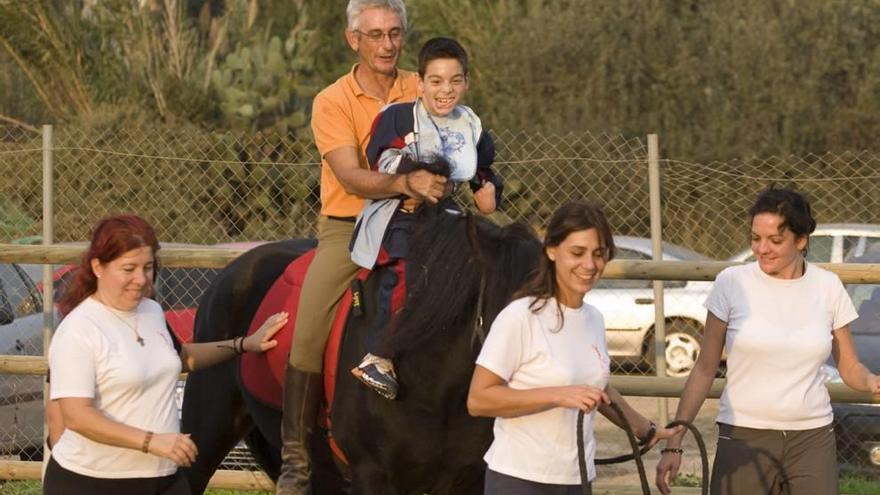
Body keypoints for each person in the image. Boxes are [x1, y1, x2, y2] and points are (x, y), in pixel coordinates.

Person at [278, 0, 448, 493]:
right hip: (349, 226)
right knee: (307, 328)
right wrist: (406, 183)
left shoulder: (423, 85)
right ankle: (296, 459)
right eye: (374, 35)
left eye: (394, 33)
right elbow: (350, 176)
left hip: (423, 221)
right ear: (354, 40)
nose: (387, 45)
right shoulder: (332, 100)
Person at [655, 186, 880, 495]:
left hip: (812, 438)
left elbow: (850, 366)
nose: (762, 249)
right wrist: (675, 441)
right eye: (755, 238)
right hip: (743, 436)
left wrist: (871, 382)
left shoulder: (828, 287)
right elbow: (705, 369)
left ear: (801, 241)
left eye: (775, 240)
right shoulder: (731, 283)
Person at [44, 214, 288, 495]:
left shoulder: (151, 311)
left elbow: (181, 356)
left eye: (147, 267)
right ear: (98, 266)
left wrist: (244, 344)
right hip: (94, 481)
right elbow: (77, 416)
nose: (141, 278)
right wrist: (151, 441)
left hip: (164, 478)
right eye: (128, 268)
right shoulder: (79, 329)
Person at [467, 202, 680, 494]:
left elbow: (598, 389)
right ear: (552, 251)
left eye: (599, 253)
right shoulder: (521, 316)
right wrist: (558, 395)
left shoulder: (593, 318)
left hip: (577, 478)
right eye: (577, 253)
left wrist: (648, 430)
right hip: (519, 479)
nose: (589, 265)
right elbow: (479, 400)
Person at [349, 36, 503, 400]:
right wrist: (412, 175)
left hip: (449, 217)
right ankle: (379, 355)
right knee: (410, 266)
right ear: (419, 83)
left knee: (495, 262)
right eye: (436, 81)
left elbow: (482, 172)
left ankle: (490, 355)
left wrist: (489, 190)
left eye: (454, 80)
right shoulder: (399, 119)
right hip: (402, 213)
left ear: (466, 82)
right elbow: (382, 163)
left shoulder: (472, 126)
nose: (445, 90)